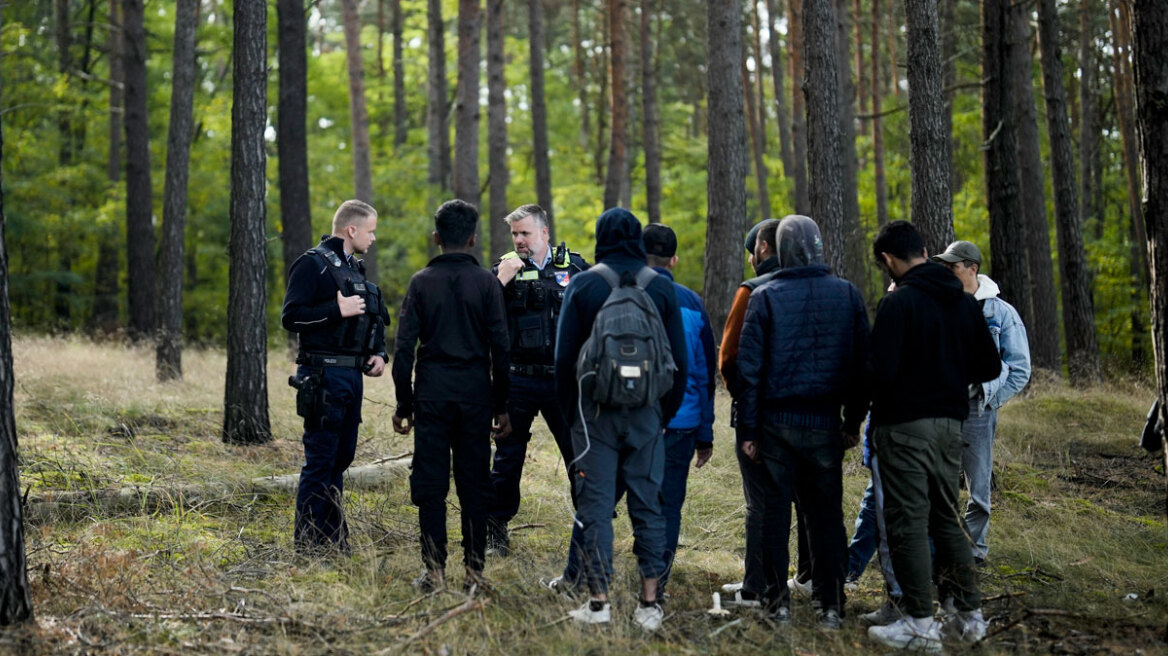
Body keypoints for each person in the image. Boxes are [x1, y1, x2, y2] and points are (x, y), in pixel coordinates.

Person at [866, 221, 1001, 651]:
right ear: (925, 250)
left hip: (905, 427)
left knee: (907, 521)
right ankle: (970, 616)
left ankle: (920, 625)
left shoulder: (899, 304)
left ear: (888, 260)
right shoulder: (963, 303)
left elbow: (879, 375)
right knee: (947, 519)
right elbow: (990, 367)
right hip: (951, 427)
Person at [553, 207, 688, 632]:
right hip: (647, 416)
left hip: (594, 418)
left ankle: (599, 603)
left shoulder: (584, 284)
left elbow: (562, 362)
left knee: (595, 508)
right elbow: (678, 364)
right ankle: (649, 603)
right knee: (650, 506)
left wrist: (572, 418)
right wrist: (661, 415)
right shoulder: (662, 288)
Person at [736, 215, 870, 629]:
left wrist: (749, 431)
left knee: (776, 516)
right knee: (826, 516)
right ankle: (830, 604)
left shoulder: (767, 296)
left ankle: (778, 605)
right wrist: (853, 421)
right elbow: (861, 366)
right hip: (825, 424)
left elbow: (750, 372)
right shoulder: (847, 294)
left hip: (777, 426)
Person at [391, 200, 512, 592]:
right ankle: (475, 574)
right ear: (474, 238)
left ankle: (435, 573)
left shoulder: (421, 282)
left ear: (436, 237)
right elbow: (502, 349)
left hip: (432, 397)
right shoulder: (488, 284)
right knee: (475, 482)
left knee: (430, 482)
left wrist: (404, 403)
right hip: (476, 397)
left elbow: (404, 350)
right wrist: (501, 405)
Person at [281, 200, 390, 554]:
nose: (373, 238)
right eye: (370, 231)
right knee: (321, 460)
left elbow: (367, 321)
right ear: (351, 230)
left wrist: (378, 355)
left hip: (350, 376)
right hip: (321, 374)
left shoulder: (354, 268)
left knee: (341, 459)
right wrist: (334, 310)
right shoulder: (312, 264)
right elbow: (291, 316)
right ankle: (308, 544)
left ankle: (332, 539)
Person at [486, 204, 589, 557]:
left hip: (564, 381)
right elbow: (480, 313)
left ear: (545, 233)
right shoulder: (503, 269)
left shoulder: (574, 267)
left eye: (525, 233)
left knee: (580, 454)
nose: (519, 241)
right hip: (519, 381)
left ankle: (589, 525)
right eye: (514, 234)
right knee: (508, 456)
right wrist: (501, 279)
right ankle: (496, 527)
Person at [933, 240, 1031, 565]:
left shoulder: (1000, 313)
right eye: (944, 266)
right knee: (938, 483)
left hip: (977, 410)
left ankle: (974, 553)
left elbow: (1019, 368)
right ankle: (942, 551)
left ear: (972, 268)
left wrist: (992, 401)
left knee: (978, 491)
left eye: (953, 266)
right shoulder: (938, 306)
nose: (947, 271)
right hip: (942, 409)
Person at [642, 223, 715, 594]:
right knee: (669, 504)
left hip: (631, 418)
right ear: (674, 259)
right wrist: (706, 433)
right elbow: (703, 371)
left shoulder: (623, 292)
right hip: (682, 423)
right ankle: (658, 580)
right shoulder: (691, 301)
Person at [718, 219, 786, 609]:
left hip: (761, 415)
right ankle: (811, 580)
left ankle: (756, 585)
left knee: (759, 503)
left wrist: (742, 398)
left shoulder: (753, 290)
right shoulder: (824, 286)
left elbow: (729, 357)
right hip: (814, 417)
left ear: (762, 248)